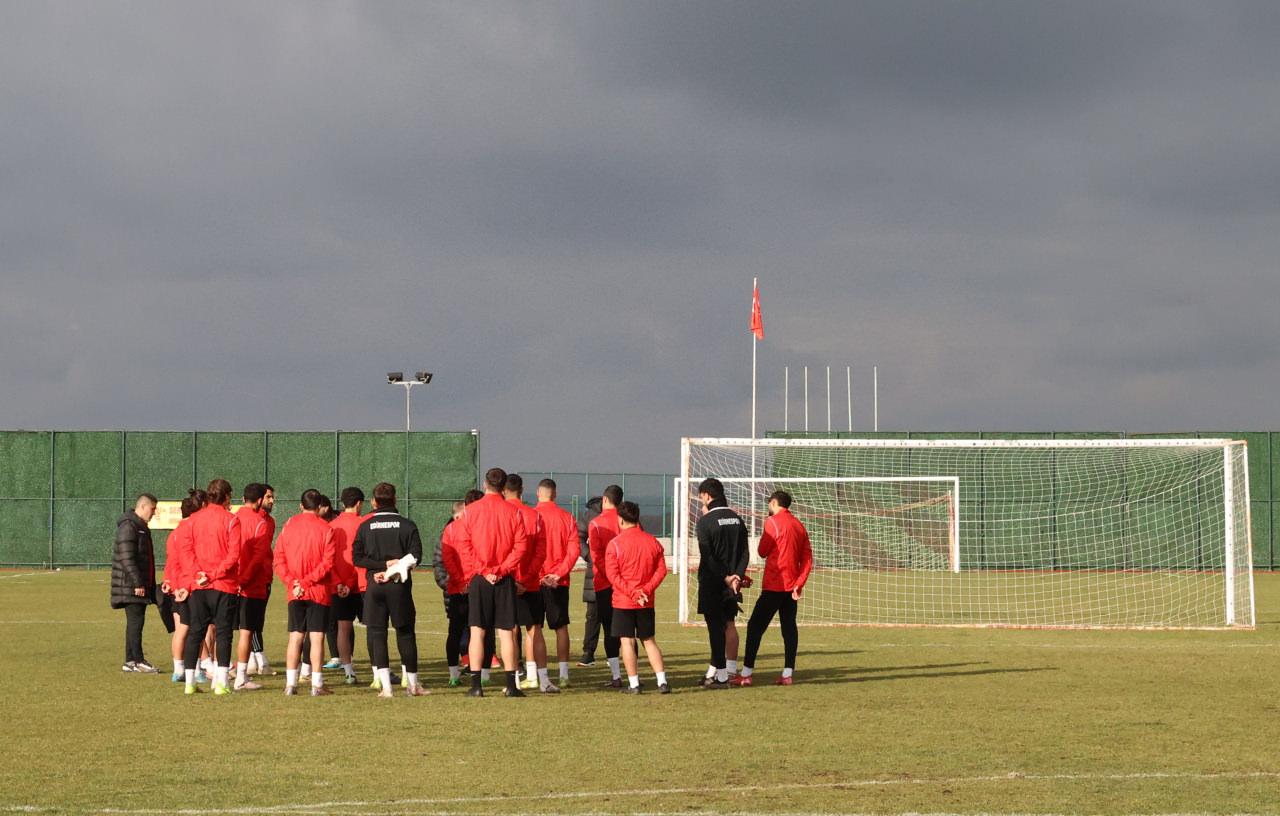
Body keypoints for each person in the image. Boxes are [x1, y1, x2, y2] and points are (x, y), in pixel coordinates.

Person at [454, 467, 528, 698]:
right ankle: (511, 685)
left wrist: (483, 570)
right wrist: (502, 569)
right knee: (507, 632)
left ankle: (476, 686)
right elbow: (521, 546)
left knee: (477, 631)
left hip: (480, 579)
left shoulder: (470, 511)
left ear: (485, 484)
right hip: (504, 579)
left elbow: (464, 546)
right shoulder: (513, 512)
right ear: (504, 487)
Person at [352, 482, 428, 698]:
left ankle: (386, 688)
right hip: (398, 586)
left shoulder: (365, 526)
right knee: (405, 633)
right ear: (395, 500)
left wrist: (380, 567)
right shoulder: (407, 525)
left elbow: (356, 558)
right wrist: (393, 566)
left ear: (374, 502)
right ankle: (413, 686)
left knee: (377, 634)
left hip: (375, 585)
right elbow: (416, 556)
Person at [734, 491, 814, 687]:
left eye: (769, 503)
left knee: (755, 627)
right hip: (791, 586)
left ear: (774, 502)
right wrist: (799, 583)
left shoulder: (773, 523)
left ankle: (746, 673)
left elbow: (762, 551)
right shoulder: (799, 525)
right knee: (789, 628)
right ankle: (788, 673)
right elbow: (808, 559)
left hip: (774, 584)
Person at [177, 478, 242, 695]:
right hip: (223, 585)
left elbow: (185, 552)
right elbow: (234, 555)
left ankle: (189, 682)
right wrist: (214, 574)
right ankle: (222, 683)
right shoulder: (231, 520)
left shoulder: (193, 520)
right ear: (225, 496)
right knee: (224, 633)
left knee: (195, 632)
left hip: (199, 586)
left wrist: (198, 574)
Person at [275, 489, 337, 696]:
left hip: (296, 591)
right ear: (319, 507)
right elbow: (327, 563)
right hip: (317, 590)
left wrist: (293, 582)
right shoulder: (326, 529)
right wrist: (306, 581)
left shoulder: (288, 526)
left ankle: (290, 684)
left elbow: (279, 559)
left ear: (301, 505)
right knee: (317, 637)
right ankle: (316, 685)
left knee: (295, 636)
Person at [604, 501, 670, 694]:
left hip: (624, 601)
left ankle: (634, 683)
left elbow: (613, 575)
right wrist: (646, 590)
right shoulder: (652, 541)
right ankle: (662, 681)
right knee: (649, 641)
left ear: (621, 520)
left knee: (626, 641)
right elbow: (662, 570)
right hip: (645, 601)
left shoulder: (615, 544)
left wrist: (634, 593)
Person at [695, 477, 749, 690]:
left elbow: (708, 557)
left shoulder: (705, 522)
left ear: (707, 496)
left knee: (715, 629)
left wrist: (725, 577)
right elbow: (745, 552)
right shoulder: (737, 518)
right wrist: (737, 575)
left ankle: (722, 677)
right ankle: (720, 670)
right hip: (732, 584)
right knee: (729, 624)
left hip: (713, 582)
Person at [504, 474, 555, 693]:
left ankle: (513, 681)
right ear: (522, 490)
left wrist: (513, 578)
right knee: (535, 629)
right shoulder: (534, 516)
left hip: (506, 580)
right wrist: (528, 578)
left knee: (509, 631)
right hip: (531, 582)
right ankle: (543, 680)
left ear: (504, 490)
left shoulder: (503, 514)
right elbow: (541, 552)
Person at [535, 478, 579, 689]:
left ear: (538, 494)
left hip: (534, 580)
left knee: (534, 628)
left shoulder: (531, 516)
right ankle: (563, 673)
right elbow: (574, 551)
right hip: (558, 582)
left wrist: (538, 574)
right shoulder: (567, 518)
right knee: (561, 627)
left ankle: (537, 675)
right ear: (555, 494)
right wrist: (558, 574)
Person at [162, 489, 207, 683]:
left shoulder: (174, 533)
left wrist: (169, 582)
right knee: (194, 629)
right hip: (188, 586)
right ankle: (197, 668)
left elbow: (171, 561)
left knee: (182, 628)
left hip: (176, 586)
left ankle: (178, 668)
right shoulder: (193, 531)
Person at [232, 483, 274, 691]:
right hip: (252, 585)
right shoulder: (260, 523)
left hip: (229, 582)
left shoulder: (232, 519)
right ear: (259, 500)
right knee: (247, 631)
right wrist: (245, 579)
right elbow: (258, 557)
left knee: (221, 628)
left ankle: (216, 671)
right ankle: (241, 676)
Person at [438, 490, 481, 686]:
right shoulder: (477, 528)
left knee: (455, 631)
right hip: (473, 587)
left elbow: (447, 558)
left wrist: (459, 580)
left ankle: (454, 674)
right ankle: (481, 673)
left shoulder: (451, 530)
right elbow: (480, 558)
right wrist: (469, 581)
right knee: (479, 631)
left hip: (458, 588)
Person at [112, 493, 159, 673]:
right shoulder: (129, 527)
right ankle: (138, 660)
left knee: (133, 621)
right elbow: (127, 558)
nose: (154, 513)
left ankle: (130, 661)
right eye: (152, 509)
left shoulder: (138, 526)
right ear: (142, 507)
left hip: (132, 583)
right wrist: (138, 583)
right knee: (136, 621)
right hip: (130, 585)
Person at [327, 486, 367, 685]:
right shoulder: (364, 523)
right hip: (360, 584)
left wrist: (338, 582)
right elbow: (361, 557)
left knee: (343, 627)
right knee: (373, 627)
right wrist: (349, 583)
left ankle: (348, 672)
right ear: (359, 503)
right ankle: (379, 671)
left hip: (339, 585)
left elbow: (329, 558)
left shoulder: (332, 526)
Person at [588, 485, 624, 687]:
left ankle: (616, 676)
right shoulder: (628, 522)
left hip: (605, 584)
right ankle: (633, 675)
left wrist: (611, 577)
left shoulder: (596, 524)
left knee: (610, 629)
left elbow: (596, 557)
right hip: (626, 585)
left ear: (604, 499)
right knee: (628, 631)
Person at [247, 483, 276, 676]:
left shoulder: (270, 521)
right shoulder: (252, 520)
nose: (272, 501)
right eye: (268, 497)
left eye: (273, 497)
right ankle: (259, 658)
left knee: (257, 620)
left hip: (265, 576)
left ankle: (252, 659)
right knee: (250, 621)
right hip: (250, 577)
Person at [576, 496, 602, 667]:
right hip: (595, 573)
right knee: (593, 615)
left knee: (618, 616)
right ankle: (588, 652)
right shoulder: (589, 515)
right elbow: (578, 538)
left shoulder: (620, 513)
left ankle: (616, 654)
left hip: (618, 573)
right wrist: (589, 555)